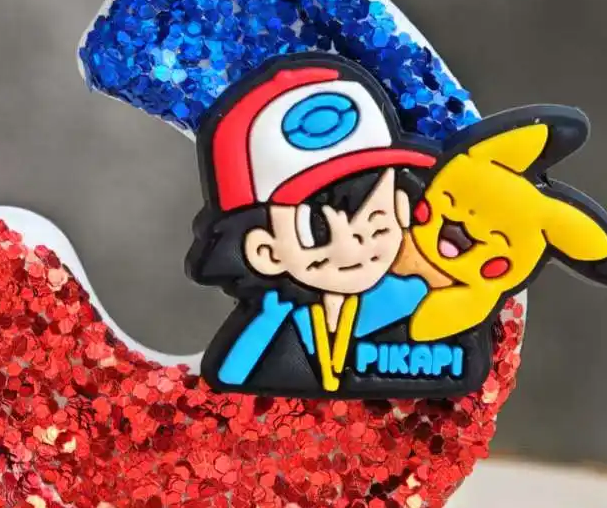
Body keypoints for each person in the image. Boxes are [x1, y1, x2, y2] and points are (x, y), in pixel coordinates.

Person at [186, 55, 457, 397]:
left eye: (376, 224)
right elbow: (234, 375)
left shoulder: (419, 304)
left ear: (401, 209)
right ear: (264, 251)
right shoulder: (267, 337)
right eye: (319, 233)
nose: (351, 247)